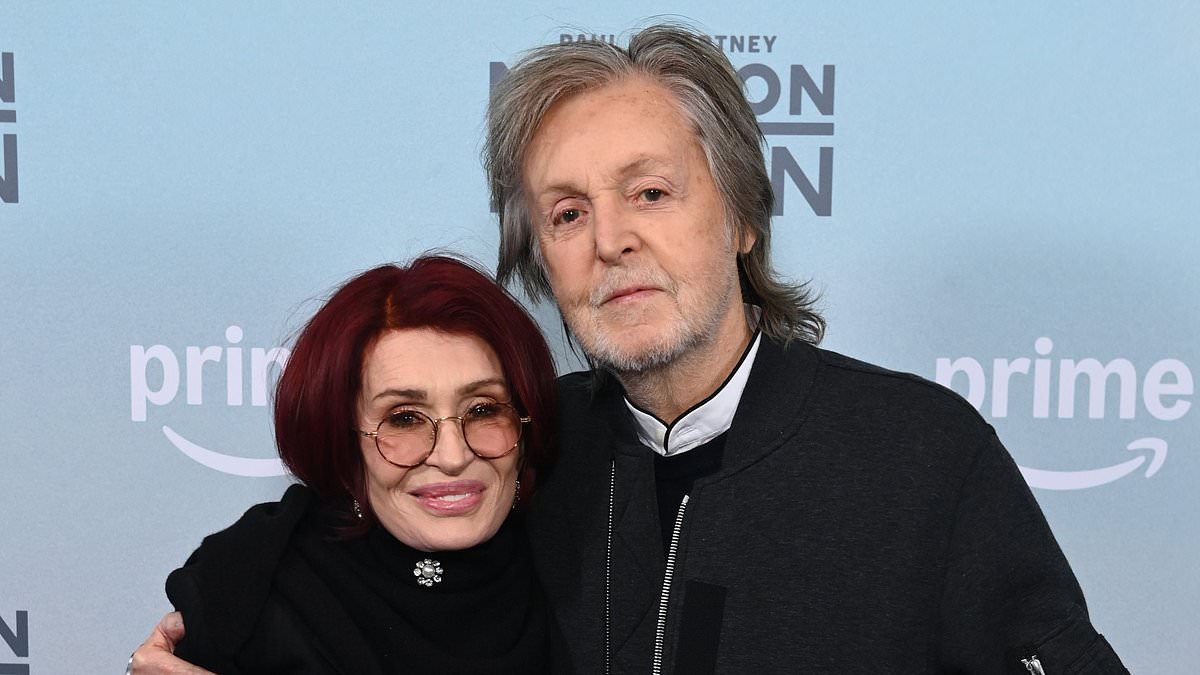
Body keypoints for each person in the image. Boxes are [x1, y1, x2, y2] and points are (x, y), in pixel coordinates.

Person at [137, 23, 1128, 674]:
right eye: (568, 213)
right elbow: (336, 543)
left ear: (742, 215)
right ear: (541, 261)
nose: (611, 240)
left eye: (650, 192)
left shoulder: (923, 458)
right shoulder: (519, 448)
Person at [129, 256, 558, 673]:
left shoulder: (582, 559)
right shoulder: (255, 597)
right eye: (404, 418)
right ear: (345, 439)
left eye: (483, 410)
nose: (452, 456)